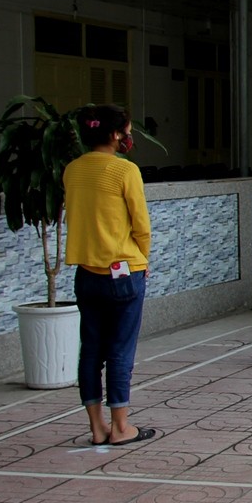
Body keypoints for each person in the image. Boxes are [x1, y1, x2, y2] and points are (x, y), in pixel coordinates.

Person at [64, 104, 153, 448]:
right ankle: (121, 426)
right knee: (120, 350)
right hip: (124, 272)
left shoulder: (72, 170)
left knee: (91, 351)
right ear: (117, 135)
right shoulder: (124, 170)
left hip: (86, 274)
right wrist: (143, 258)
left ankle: (96, 426)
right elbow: (140, 224)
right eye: (127, 131)